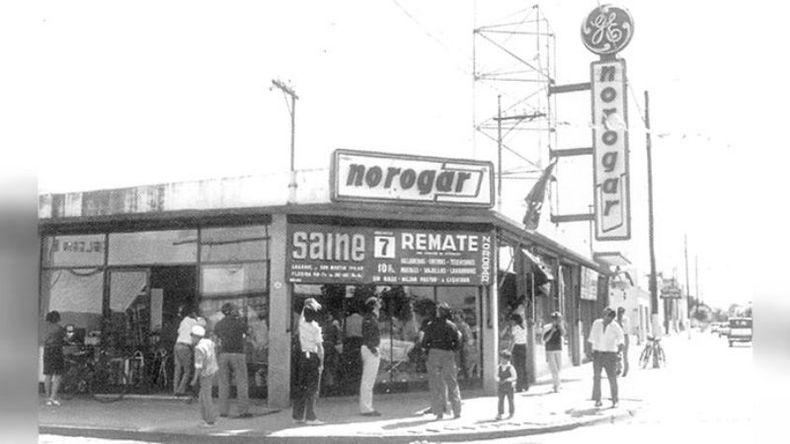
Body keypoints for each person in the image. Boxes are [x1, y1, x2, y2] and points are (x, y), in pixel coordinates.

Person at [423, 302, 462, 420]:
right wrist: (452, 350)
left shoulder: (431, 325)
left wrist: (428, 350)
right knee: (452, 383)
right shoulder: (452, 326)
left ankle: (439, 412)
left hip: (434, 354)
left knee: (436, 384)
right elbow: (458, 341)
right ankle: (457, 411)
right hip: (448, 355)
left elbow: (425, 342)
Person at [213, 302, 252, 418]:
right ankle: (243, 410)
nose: (238, 310)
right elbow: (249, 333)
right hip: (237, 354)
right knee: (242, 382)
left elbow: (216, 339)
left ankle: (223, 411)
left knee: (223, 383)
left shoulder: (219, 324)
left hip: (223, 354)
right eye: (236, 309)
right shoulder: (239, 322)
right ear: (231, 311)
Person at [292, 298, 325, 425]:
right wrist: (321, 363)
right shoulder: (315, 328)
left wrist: (308, 303)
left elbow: (302, 314)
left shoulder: (300, 325)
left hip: (301, 357)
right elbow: (320, 347)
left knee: (301, 387)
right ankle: (311, 417)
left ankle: (297, 416)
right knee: (312, 388)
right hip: (312, 357)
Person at [587, 307, 625, 408]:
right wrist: (590, 352)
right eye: (607, 316)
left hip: (610, 354)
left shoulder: (615, 326)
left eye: (611, 317)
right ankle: (598, 399)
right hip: (597, 354)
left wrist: (619, 353)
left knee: (612, 378)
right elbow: (591, 338)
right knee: (597, 377)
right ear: (604, 315)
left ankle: (615, 400)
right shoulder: (596, 324)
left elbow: (621, 340)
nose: (608, 319)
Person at [189, 324, 219, 427]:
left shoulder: (198, 348)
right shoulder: (209, 343)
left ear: (196, 336)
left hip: (205, 374)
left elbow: (198, 366)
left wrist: (194, 379)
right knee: (203, 396)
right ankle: (206, 418)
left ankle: (210, 421)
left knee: (205, 397)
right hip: (212, 370)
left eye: (192, 335)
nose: (191, 338)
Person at [359, 297, 382, 416]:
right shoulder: (370, 319)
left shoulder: (370, 318)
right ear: (374, 306)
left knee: (368, 380)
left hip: (369, 349)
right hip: (370, 350)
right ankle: (366, 408)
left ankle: (366, 406)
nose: (380, 304)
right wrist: (373, 349)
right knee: (368, 380)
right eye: (377, 303)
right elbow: (367, 335)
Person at [174, 305, 199, 397]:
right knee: (187, 371)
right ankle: (181, 390)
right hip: (185, 347)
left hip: (177, 345)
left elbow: (179, 331)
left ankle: (175, 389)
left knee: (177, 369)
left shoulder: (183, 321)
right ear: (192, 313)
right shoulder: (194, 322)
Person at [43, 310, 66, 406]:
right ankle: (53, 397)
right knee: (58, 375)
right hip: (57, 351)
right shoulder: (59, 328)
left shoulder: (46, 328)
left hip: (47, 351)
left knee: (48, 375)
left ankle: (47, 398)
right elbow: (65, 339)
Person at [542, 311, 565, 392]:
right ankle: (556, 385)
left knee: (559, 367)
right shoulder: (547, 327)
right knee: (554, 369)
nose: (558, 321)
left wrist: (560, 326)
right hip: (550, 350)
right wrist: (552, 331)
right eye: (557, 319)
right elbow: (545, 339)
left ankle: (557, 383)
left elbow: (563, 334)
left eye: (559, 319)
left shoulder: (560, 327)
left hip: (558, 349)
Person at [508, 313, 529, 392]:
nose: (511, 322)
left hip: (517, 347)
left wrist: (509, 350)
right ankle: (525, 384)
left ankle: (519, 386)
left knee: (517, 367)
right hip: (523, 346)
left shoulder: (515, 328)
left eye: (512, 320)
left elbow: (513, 340)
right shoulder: (523, 327)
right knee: (523, 366)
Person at [495, 351, 517, 420]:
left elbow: (514, 377)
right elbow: (496, 376)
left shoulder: (510, 367)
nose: (502, 360)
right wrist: (498, 379)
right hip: (501, 386)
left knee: (510, 400)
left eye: (503, 359)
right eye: (501, 358)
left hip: (509, 386)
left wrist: (508, 379)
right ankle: (500, 413)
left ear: (507, 359)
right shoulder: (498, 367)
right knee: (500, 400)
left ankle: (511, 412)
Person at [616, 307, 630, 377]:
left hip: (624, 336)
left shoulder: (625, 319)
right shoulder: (616, 319)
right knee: (619, 354)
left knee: (623, 354)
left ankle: (623, 370)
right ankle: (620, 369)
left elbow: (623, 327)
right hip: (621, 337)